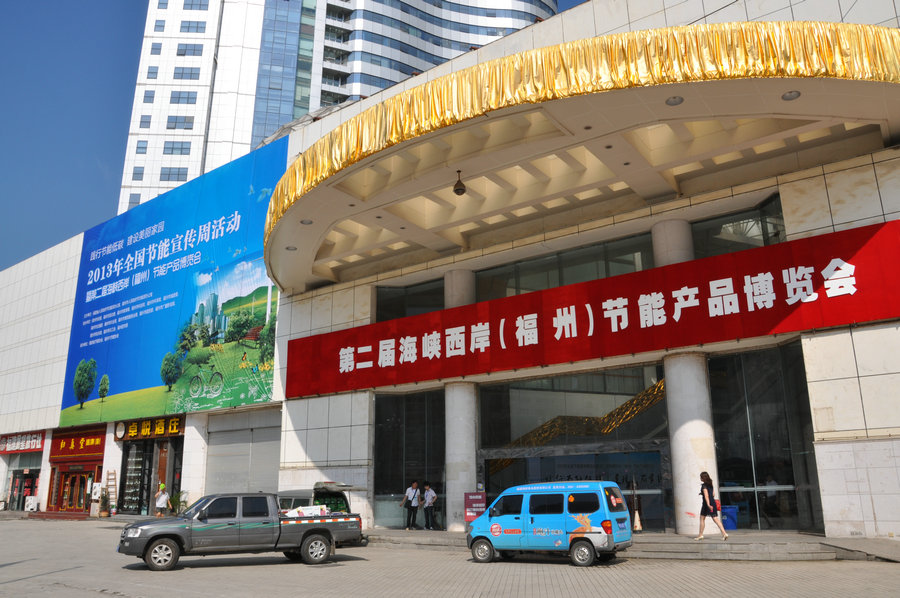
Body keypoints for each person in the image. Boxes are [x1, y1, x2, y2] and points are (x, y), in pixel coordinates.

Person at [695, 471, 728, 541]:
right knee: (715, 518)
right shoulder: (710, 484)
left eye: (701, 477)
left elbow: (706, 496)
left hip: (706, 504)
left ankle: (700, 535)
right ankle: (724, 533)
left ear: (703, 478)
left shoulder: (704, 486)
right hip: (713, 502)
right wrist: (702, 493)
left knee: (702, 519)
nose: (700, 478)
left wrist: (708, 504)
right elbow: (713, 494)